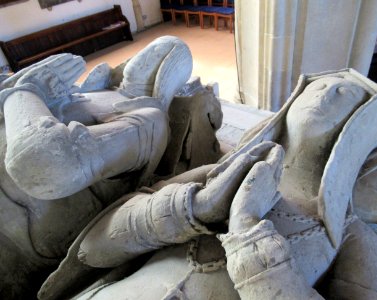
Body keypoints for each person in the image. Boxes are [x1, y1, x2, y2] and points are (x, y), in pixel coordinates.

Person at [39, 69, 377, 299]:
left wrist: (248, 234)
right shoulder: (219, 171)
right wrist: (196, 206)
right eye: (318, 86)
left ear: (358, 125)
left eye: (343, 94)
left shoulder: (353, 237)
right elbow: (92, 249)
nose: (324, 94)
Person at [0, 36, 222, 299]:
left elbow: (45, 162)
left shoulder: (150, 120)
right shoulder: (96, 93)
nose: (136, 58)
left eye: (154, 56)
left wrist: (25, 88)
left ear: (162, 75)